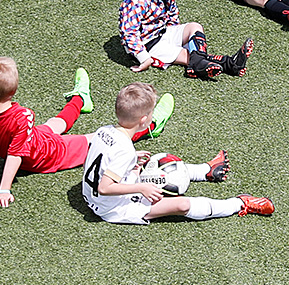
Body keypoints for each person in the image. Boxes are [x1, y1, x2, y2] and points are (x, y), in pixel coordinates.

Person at [0, 57, 174, 206]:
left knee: (69, 128)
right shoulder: (22, 117)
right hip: (43, 150)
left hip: (43, 146)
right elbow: (11, 153)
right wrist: (2, 187)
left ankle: (85, 101)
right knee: (92, 135)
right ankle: (146, 124)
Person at [82, 82, 275, 224]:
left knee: (154, 165)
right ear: (143, 120)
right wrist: (141, 188)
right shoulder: (124, 149)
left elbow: (100, 158)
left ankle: (206, 171)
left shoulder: (104, 130)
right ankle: (239, 203)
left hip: (92, 196)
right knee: (181, 205)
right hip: (112, 208)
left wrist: (132, 160)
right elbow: (105, 187)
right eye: (151, 113)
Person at [120, 0, 254, 79]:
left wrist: (178, 37)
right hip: (150, 45)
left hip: (164, 33)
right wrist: (143, 57)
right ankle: (229, 64)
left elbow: (172, 16)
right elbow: (128, 33)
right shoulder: (136, 1)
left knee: (194, 27)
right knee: (188, 55)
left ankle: (202, 63)